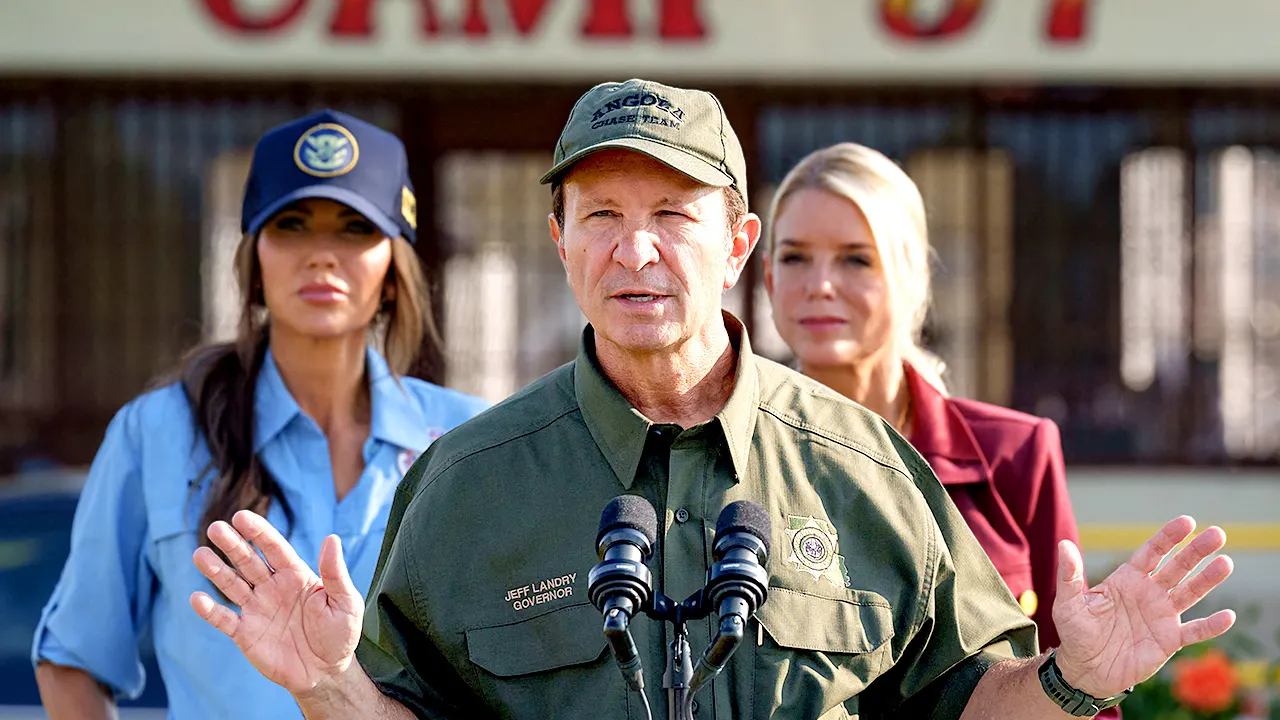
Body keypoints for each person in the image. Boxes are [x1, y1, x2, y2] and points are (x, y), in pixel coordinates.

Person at [192, 80, 1235, 720]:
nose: (633, 249)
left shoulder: (864, 469)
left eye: (673, 213)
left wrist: (1072, 681)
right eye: (598, 211)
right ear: (559, 243)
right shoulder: (465, 483)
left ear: (735, 243)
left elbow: (971, 707)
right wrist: (324, 688)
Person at [31, 109, 489, 720]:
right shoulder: (157, 433)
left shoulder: (471, 441)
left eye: (354, 229)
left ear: (392, 272)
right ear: (255, 263)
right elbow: (73, 661)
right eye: (291, 225)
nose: (321, 255)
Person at [763, 143, 1081, 650]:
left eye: (856, 260)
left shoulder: (1016, 455)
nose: (820, 284)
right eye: (795, 257)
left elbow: (1076, 676)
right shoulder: (728, 452)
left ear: (912, 277)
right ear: (769, 278)